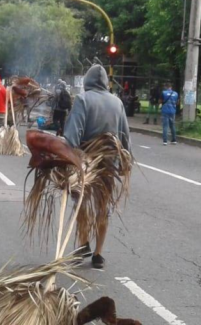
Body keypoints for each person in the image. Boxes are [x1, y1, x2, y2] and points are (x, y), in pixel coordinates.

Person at [64, 65, 131, 270]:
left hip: (85, 162)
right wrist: (124, 164)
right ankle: (98, 255)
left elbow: (72, 137)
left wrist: (70, 159)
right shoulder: (117, 102)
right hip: (108, 164)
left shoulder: (83, 100)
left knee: (81, 203)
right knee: (104, 207)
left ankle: (83, 243)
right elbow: (125, 138)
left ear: (87, 81)